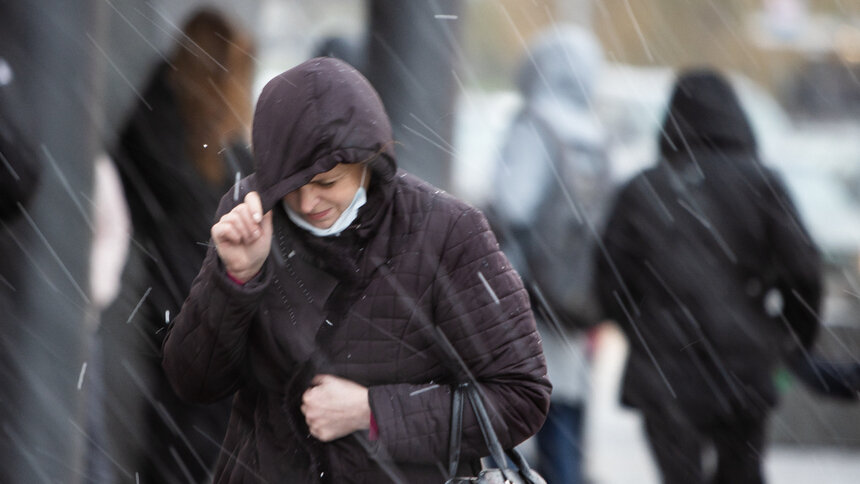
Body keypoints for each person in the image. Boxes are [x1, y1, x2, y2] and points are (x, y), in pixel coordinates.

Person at [161, 57, 551, 483]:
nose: (309, 203)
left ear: (368, 162)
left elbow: (520, 397)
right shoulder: (251, 214)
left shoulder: (448, 232)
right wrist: (236, 279)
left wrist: (372, 411)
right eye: (293, 186)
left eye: (328, 183)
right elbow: (193, 381)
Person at [594, 68, 822, 484]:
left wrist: (643, 326)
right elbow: (804, 271)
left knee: (678, 476)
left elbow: (609, 280)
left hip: (664, 368)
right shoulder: (762, 185)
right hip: (745, 363)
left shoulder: (643, 190)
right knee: (741, 470)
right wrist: (789, 336)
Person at [101, 8, 256, 482]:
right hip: (217, 312)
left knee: (178, 440)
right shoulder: (224, 152)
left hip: (177, 308)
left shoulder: (158, 125)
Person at [487, 24, 610, 484]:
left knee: (508, 422)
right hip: (575, 305)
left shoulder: (537, 123)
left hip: (524, 297)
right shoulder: (596, 135)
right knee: (565, 424)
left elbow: (512, 204)